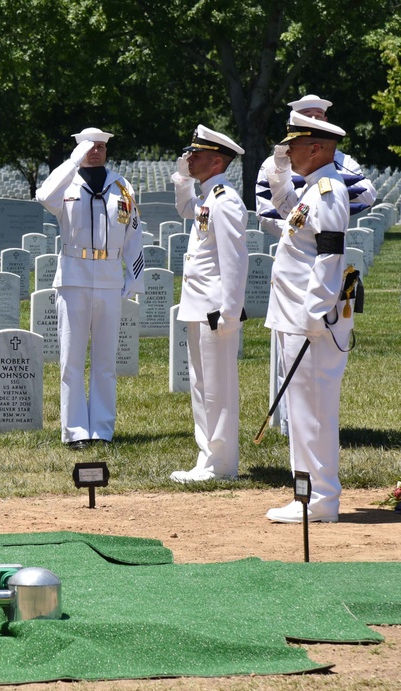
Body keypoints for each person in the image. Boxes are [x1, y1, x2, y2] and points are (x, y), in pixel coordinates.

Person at [263, 111, 354, 523]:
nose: (287, 151)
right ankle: (307, 495)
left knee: (314, 411)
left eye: (293, 146)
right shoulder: (311, 189)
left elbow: (330, 254)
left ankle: (322, 501)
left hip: (311, 320)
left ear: (315, 148)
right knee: (301, 411)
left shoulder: (329, 191)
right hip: (296, 315)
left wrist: (315, 314)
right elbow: (287, 213)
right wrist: (281, 170)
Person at [35, 128, 144, 449]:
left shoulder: (121, 186)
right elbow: (44, 196)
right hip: (73, 276)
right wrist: (72, 162)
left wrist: (134, 276)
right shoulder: (66, 182)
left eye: (100, 147)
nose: (94, 151)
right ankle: (75, 431)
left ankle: (102, 429)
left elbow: (134, 233)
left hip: (109, 277)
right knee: (71, 358)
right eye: (88, 146)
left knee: (105, 359)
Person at [168, 126, 249, 483]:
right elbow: (186, 209)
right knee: (201, 386)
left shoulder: (225, 199)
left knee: (218, 388)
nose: (190, 158)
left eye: (196, 155)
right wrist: (182, 176)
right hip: (198, 305)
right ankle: (207, 458)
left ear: (217, 161)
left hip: (216, 308)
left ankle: (222, 462)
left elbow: (234, 259)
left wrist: (230, 310)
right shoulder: (207, 196)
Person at [255, 94, 377, 238]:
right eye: (305, 116)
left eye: (318, 116)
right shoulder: (274, 164)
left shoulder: (344, 162)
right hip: (286, 238)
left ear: (326, 120)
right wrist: (295, 232)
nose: (313, 120)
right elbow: (268, 210)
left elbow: (367, 195)